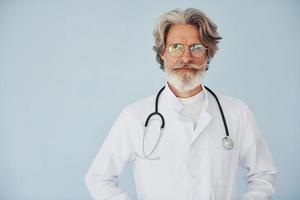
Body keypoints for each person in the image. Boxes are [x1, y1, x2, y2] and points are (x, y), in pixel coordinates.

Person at [84, 8, 277, 200]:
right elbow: (99, 178)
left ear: (209, 54)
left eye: (197, 48)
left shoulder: (236, 112)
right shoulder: (135, 116)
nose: (186, 58)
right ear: (162, 53)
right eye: (176, 47)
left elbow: (263, 174)